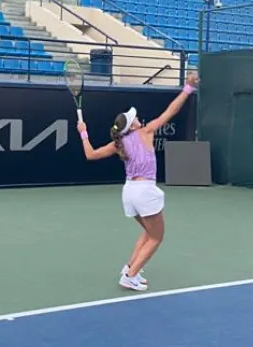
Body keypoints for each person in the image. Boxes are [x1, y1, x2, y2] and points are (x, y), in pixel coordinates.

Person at [76, 71, 199, 291]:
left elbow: (90, 155)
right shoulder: (146, 132)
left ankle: (130, 268)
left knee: (148, 232)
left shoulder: (119, 143)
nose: (139, 119)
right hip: (144, 192)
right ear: (132, 126)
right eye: (135, 119)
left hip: (129, 193)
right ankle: (130, 276)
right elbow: (170, 111)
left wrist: (83, 133)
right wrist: (188, 88)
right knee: (157, 237)